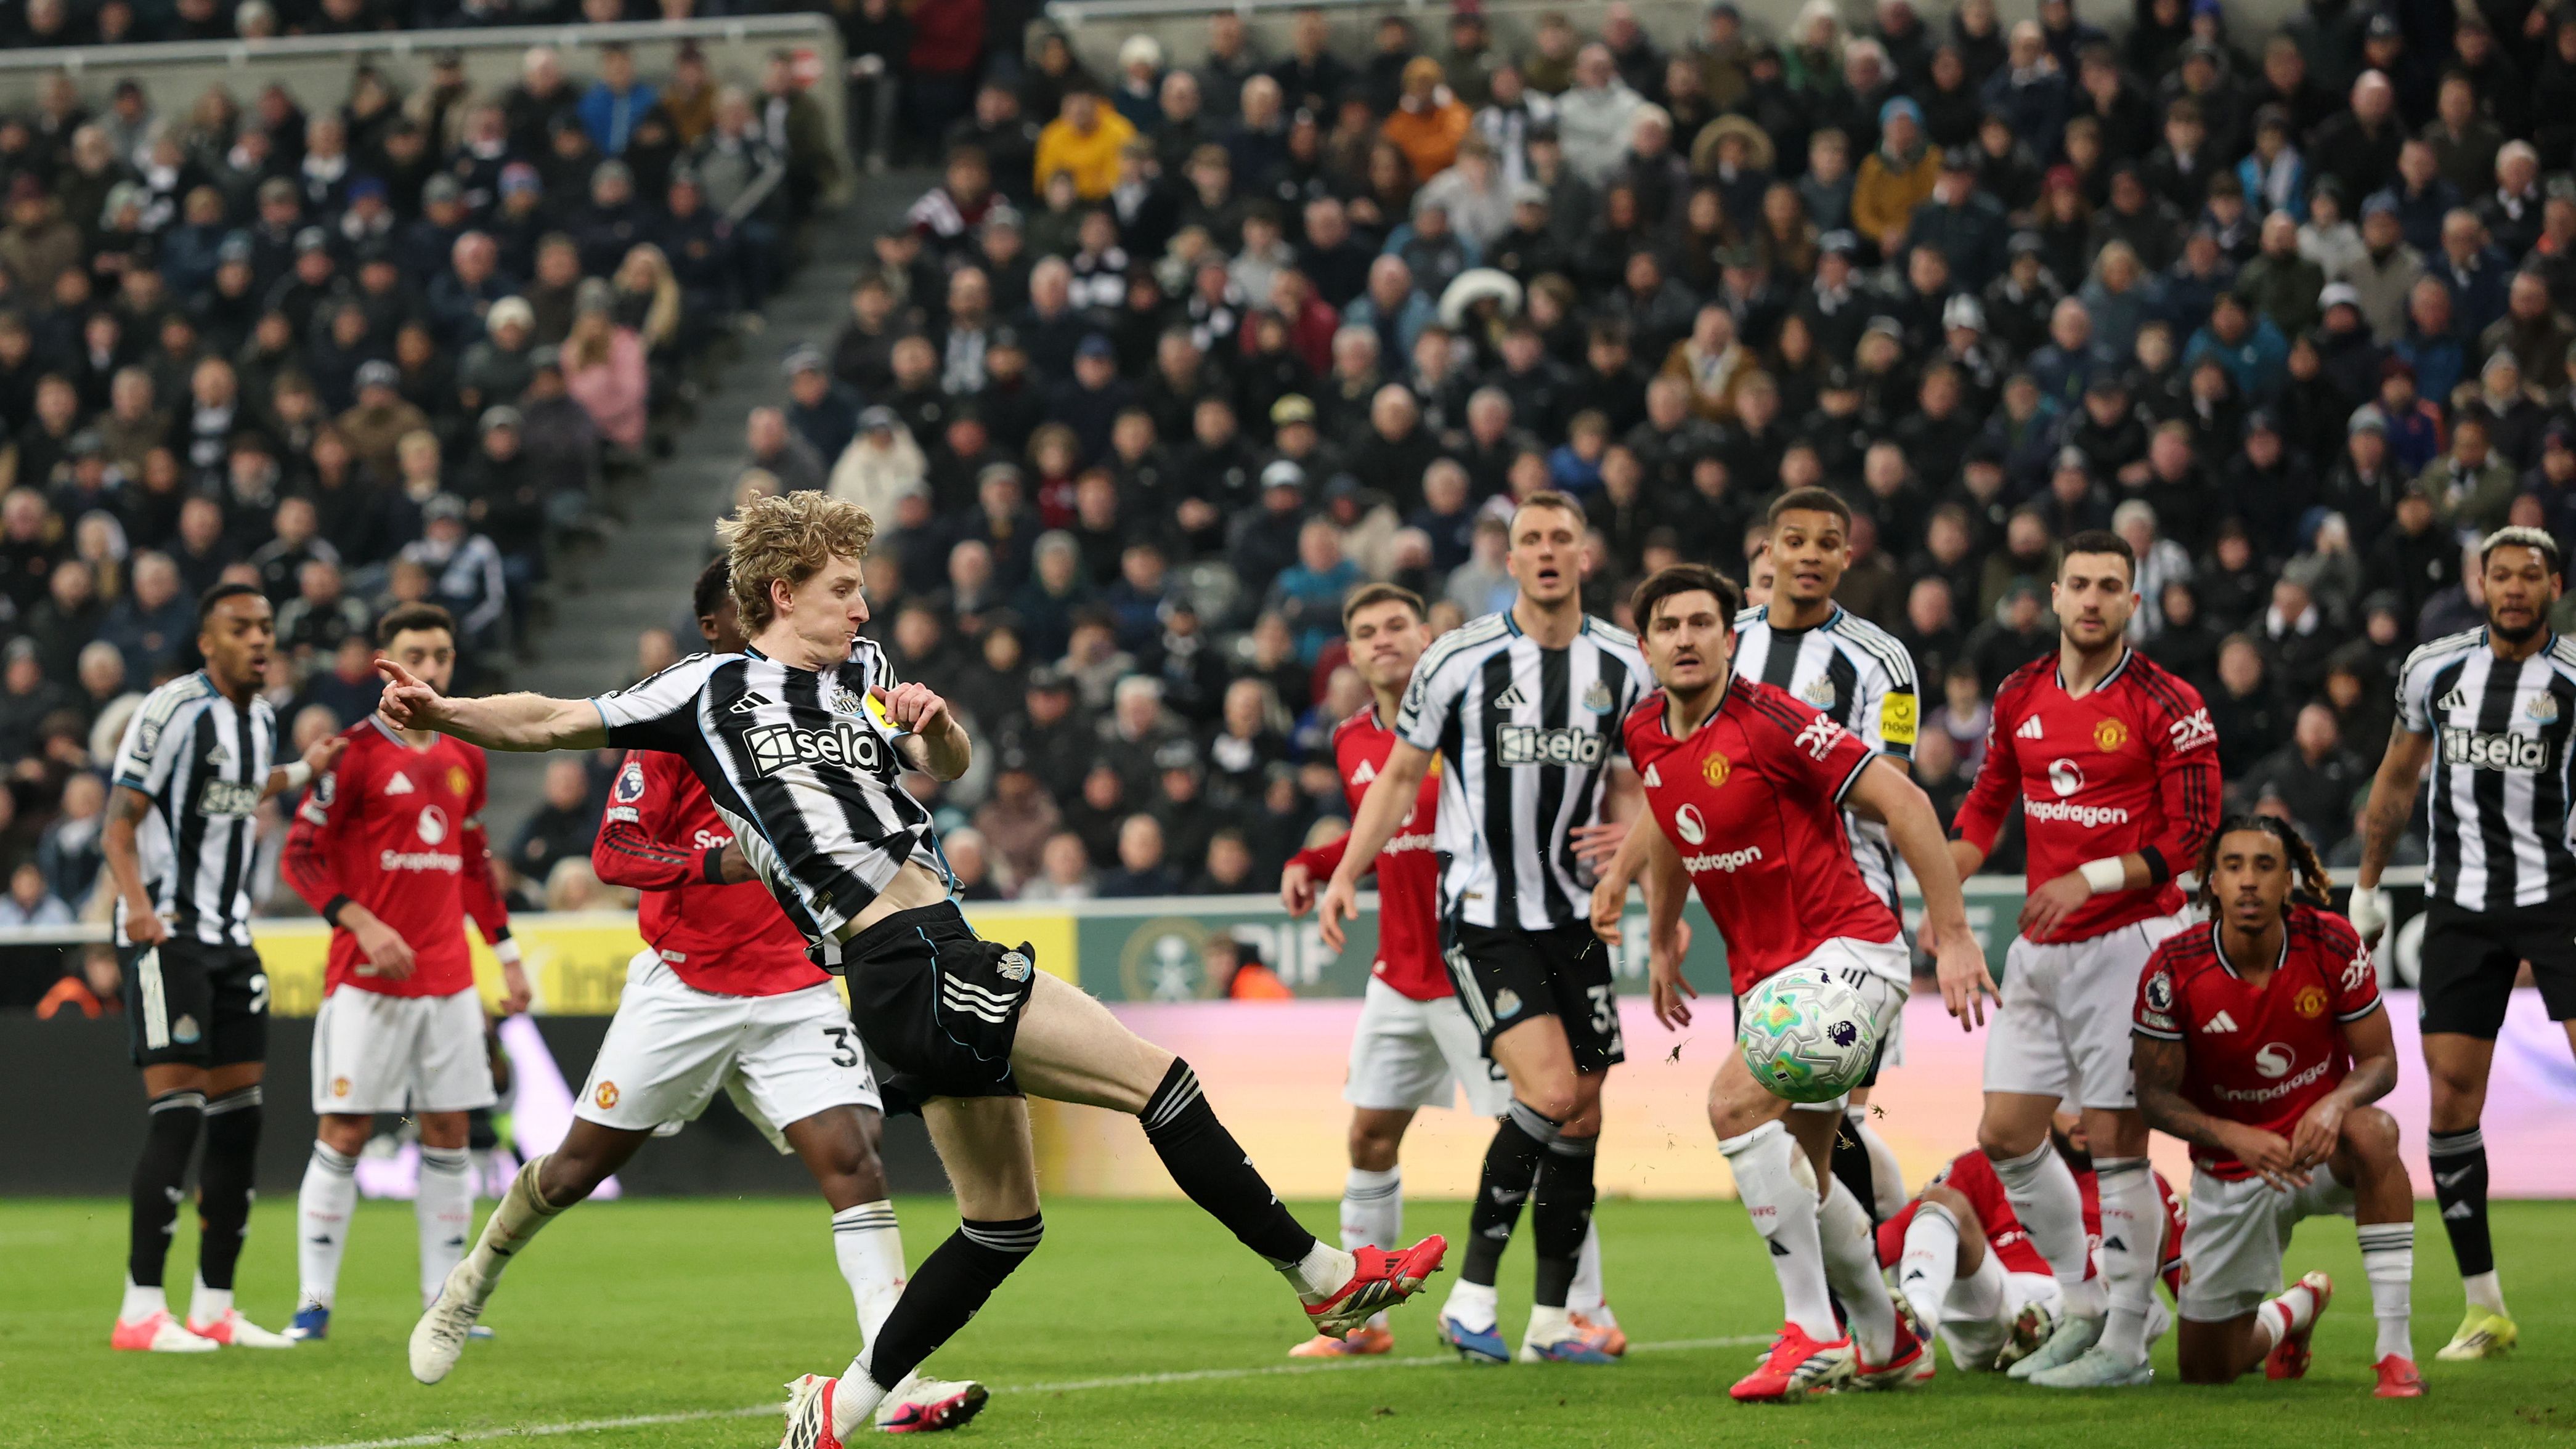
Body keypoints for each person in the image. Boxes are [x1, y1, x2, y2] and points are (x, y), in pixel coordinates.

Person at [383, 492, 1443, 1447]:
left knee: (1001, 1225)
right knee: (1157, 1081)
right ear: (783, 593)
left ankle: (836, 1410)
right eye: (845, 589)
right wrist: (446, 714)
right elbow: (553, 719)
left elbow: (947, 764)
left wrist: (942, 732)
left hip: (887, 973)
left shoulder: (869, 676)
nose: (863, 607)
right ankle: (1324, 1278)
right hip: (909, 956)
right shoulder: (707, 690)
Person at [410, 562, 978, 1431]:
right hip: (686, 984)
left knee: (857, 1163)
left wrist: (930, 732)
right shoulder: (681, 722)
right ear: (718, 628)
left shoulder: (837, 696)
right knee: (573, 1171)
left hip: (793, 981)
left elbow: (932, 767)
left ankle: (893, 1380)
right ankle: (469, 1282)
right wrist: (717, 860)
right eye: (733, 618)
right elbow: (614, 853)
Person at [1585, 561, 1986, 1399]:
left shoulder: (1773, 720)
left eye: (1703, 624)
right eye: (1669, 627)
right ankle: (1885, 1343)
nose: (1687, 639)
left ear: (1731, 640)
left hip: (1850, 953)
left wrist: (1950, 937)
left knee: (1731, 1106)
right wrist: (1661, 939)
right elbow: (1669, 819)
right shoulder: (1647, 733)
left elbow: (1906, 803)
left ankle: (1808, 1328)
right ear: (1644, 646)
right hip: (1767, 977)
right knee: (1806, 1176)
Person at [1317, 491, 1652, 1366]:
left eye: (1561, 538)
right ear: (1509, 559)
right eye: (1529, 539)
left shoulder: (1625, 664)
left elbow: (1639, 782)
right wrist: (1345, 872)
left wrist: (1632, 850)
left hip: (1576, 920)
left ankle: (1553, 1322)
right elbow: (1396, 781)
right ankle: (1468, 1300)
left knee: (1581, 1119)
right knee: (1546, 1097)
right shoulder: (1459, 660)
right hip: (1485, 916)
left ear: (1585, 555)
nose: (1546, 552)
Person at [1945, 529, 2222, 1388]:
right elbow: (1985, 808)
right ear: (2055, 597)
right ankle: (2086, 1305)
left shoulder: (2168, 703)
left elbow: (2194, 839)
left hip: (2131, 944)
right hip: (2039, 948)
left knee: (2115, 1142)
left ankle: (2128, 1346)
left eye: (2110, 586)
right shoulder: (2018, 693)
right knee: (2005, 1133)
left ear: (2133, 603)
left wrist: (2091, 877)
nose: (2093, 599)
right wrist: (1935, 902)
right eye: (2079, 584)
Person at [2348, 524, 2576, 1365]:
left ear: (2553, 586)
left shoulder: (2573, 678)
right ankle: (2484, 1308)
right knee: (2449, 1099)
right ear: (2480, 584)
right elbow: (2397, 778)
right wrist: (2368, 888)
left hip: (2563, 898)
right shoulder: (2433, 669)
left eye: (2529, 576)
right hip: (2462, 905)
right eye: (2500, 576)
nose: (2513, 589)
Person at [102, 582, 344, 1352]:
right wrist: (139, 907)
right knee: (177, 1116)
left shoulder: (258, 717)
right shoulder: (172, 709)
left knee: (241, 1121)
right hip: (167, 934)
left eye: (267, 628)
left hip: (233, 939)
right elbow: (120, 820)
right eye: (242, 629)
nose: (260, 641)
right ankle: (141, 1309)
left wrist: (304, 770)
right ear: (208, 641)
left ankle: (215, 1305)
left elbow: (240, 793)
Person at [279, 604, 529, 1343]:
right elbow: (300, 857)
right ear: (385, 662)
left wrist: (506, 955)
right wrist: (362, 921)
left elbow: (475, 865)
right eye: (416, 652)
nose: (431, 666)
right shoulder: (353, 753)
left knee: (451, 1132)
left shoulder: (466, 755)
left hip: (449, 981)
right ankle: (313, 1304)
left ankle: (441, 1301)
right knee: (346, 1130)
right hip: (365, 981)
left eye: (443, 654)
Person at [2134, 816, 2423, 1397]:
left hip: (2320, 1153)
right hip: (2232, 1170)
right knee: (2205, 1370)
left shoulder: (2332, 942)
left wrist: (2333, 1105)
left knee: (2375, 1132)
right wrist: (2230, 1134)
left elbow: (2381, 1064)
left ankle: (2395, 1353)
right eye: (2233, 866)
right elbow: (2152, 1097)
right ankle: (2295, 1309)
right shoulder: (2172, 969)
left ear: (2288, 882)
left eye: (2264, 867)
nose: (2248, 882)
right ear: (2210, 882)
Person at [1730, 486, 1917, 1222]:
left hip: (1849, 908)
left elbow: (1891, 786)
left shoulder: (1880, 658)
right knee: (1779, 1128)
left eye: (1826, 543)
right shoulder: (1725, 642)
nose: (1809, 555)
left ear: (1847, 556)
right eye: (1794, 541)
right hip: (1754, 915)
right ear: (1767, 552)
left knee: (1832, 1117)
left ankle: (1877, 1288)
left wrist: (1775, 774)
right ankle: (1879, 1295)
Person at [1877, 1119, 2182, 1376]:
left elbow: (2190, 1284)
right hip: (1999, 1304)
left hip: (2094, 1311)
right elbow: (1899, 1230)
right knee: (1941, 1201)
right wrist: (1846, 1281)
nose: (2082, 1117)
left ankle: (2053, 1319)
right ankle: (1917, 1327)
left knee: (2149, 1222)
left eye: (2092, 1100)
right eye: (2069, 1101)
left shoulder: (2144, 1186)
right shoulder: (1987, 1165)